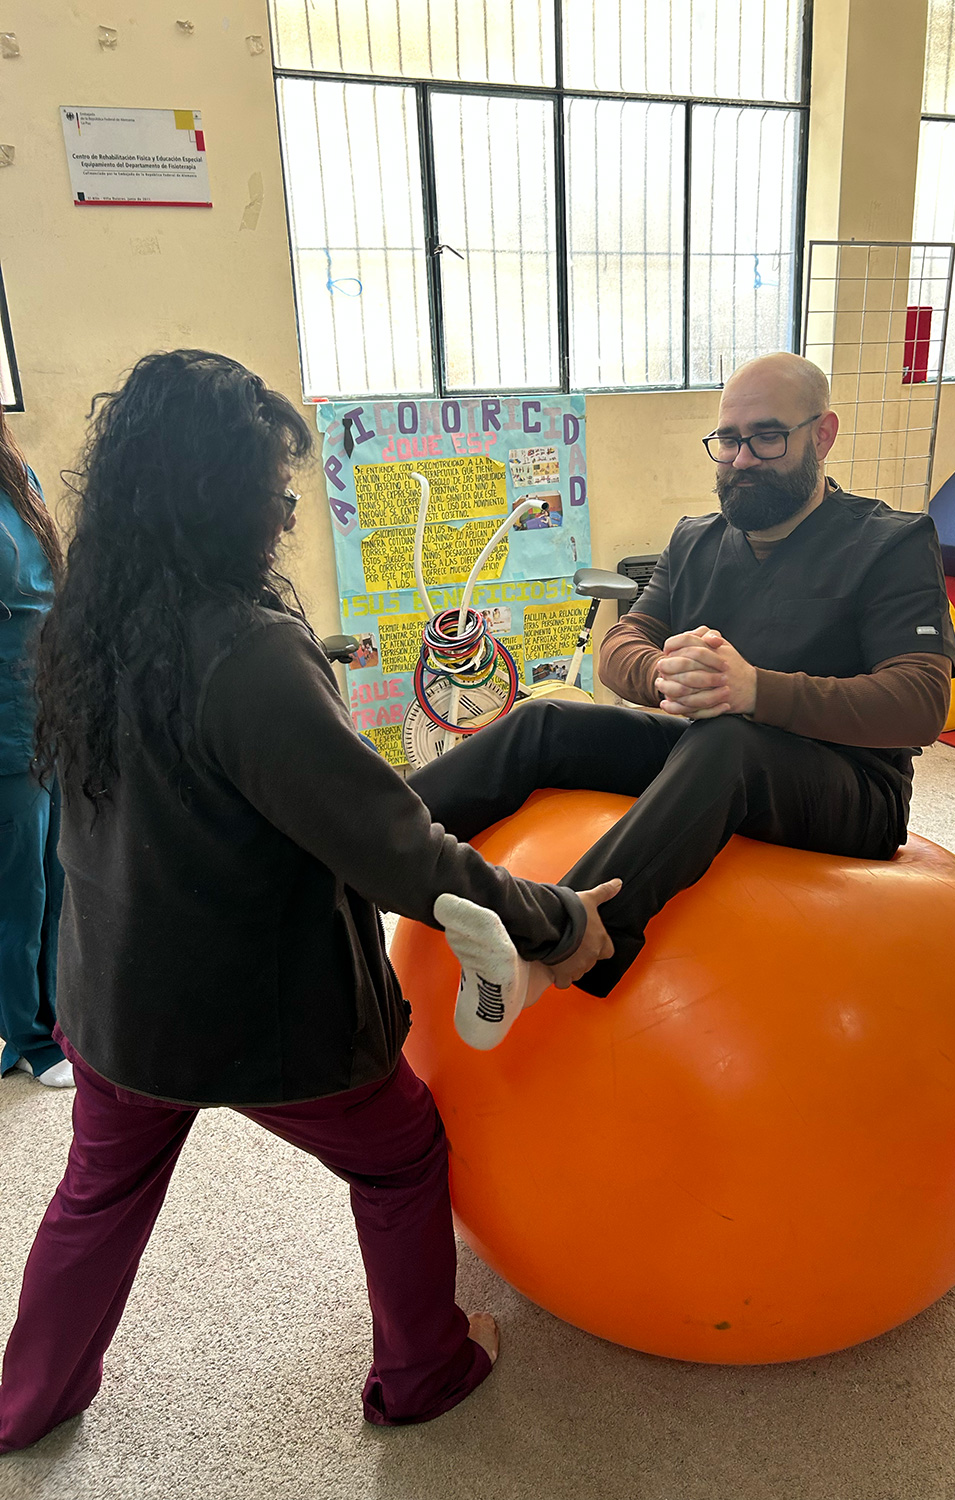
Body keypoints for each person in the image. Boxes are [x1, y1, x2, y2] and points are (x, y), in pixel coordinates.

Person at [0, 349, 617, 1454]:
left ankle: (25, 1403)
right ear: (215, 493)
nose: (289, 504)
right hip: (254, 1011)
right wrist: (557, 919)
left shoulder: (84, 623)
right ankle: (424, 1367)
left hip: (112, 998)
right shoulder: (248, 652)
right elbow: (397, 855)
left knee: (97, 1193)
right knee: (398, 1154)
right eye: (273, 483)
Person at [409, 352, 955, 1004]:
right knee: (543, 720)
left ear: (823, 434)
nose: (741, 459)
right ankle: (364, 852)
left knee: (727, 738)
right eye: (727, 439)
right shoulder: (695, 538)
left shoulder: (890, 543)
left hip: (850, 789)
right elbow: (621, 642)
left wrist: (755, 690)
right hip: (711, 758)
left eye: (767, 436)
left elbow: (922, 700)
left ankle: (562, 938)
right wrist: (661, 671)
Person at [0, 406, 70, 1089]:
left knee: (59, 886)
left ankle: (58, 1021)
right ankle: (25, 1036)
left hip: (45, 715)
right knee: (18, 896)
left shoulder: (17, 475)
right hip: (3, 734)